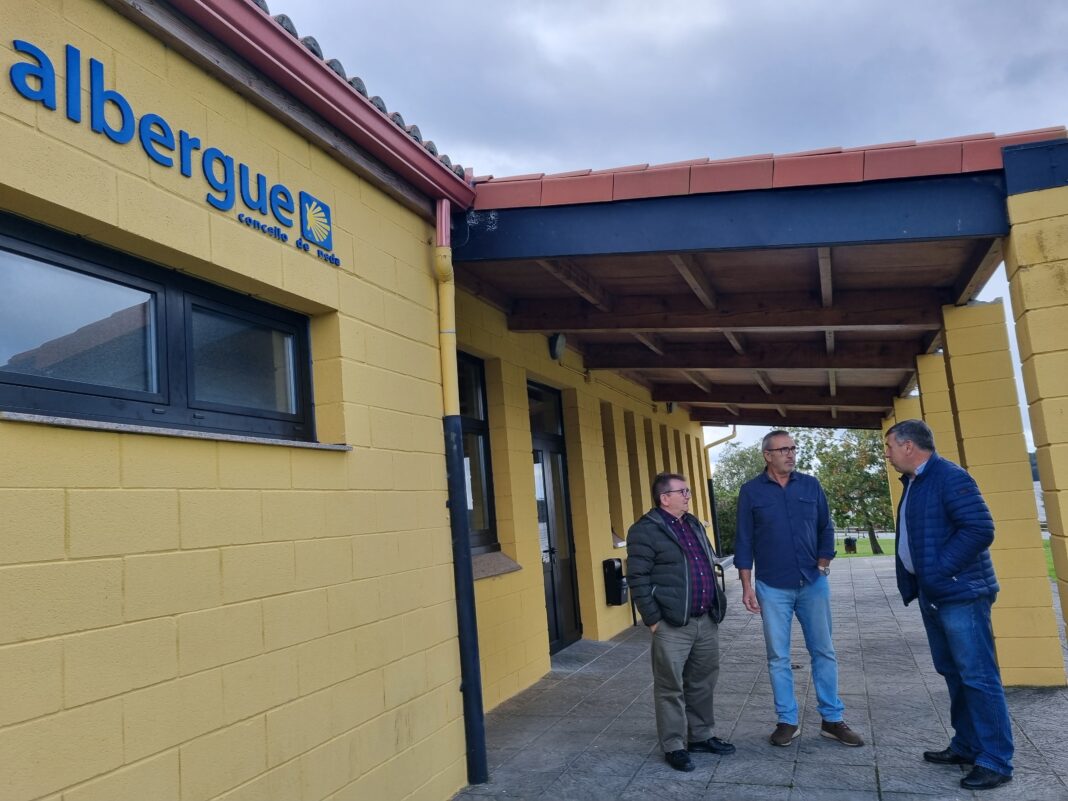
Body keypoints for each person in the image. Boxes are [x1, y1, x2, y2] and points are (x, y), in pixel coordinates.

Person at [884, 419, 1013, 791]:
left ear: (908, 446)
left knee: (978, 676)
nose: (887, 455)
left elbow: (979, 529)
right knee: (954, 673)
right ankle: (967, 745)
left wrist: (939, 571)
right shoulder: (916, 481)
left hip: (960, 594)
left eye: (889, 447)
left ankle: (995, 760)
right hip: (937, 594)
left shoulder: (950, 477)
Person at [735, 430, 865, 748]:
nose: (791, 454)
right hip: (771, 586)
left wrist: (823, 563)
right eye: (783, 449)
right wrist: (747, 586)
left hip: (812, 583)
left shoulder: (810, 485)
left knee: (823, 651)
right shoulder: (751, 492)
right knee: (778, 656)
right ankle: (787, 721)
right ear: (767, 455)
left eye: (793, 448)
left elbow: (825, 527)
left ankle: (832, 719)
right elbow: (744, 540)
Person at [627, 472, 736, 772]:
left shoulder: (693, 523)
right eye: (683, 492)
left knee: (702, 682)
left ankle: (701, 736)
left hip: (705, 619)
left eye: (687, 491)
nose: (688, 496)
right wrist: (653, 620)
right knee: (670, 687)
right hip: (671, 624)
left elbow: (706, 563)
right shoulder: (645, 530)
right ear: (665, 498)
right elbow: (637, 577)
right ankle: (674, 745)